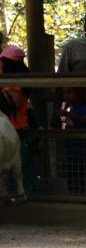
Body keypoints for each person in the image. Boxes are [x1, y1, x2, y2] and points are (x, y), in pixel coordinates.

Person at [0, 44, 35, 200]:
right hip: (12, 130)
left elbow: (14, 104)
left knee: (21, 166)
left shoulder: (12, 87)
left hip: (14, 131)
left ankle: (27, 195)